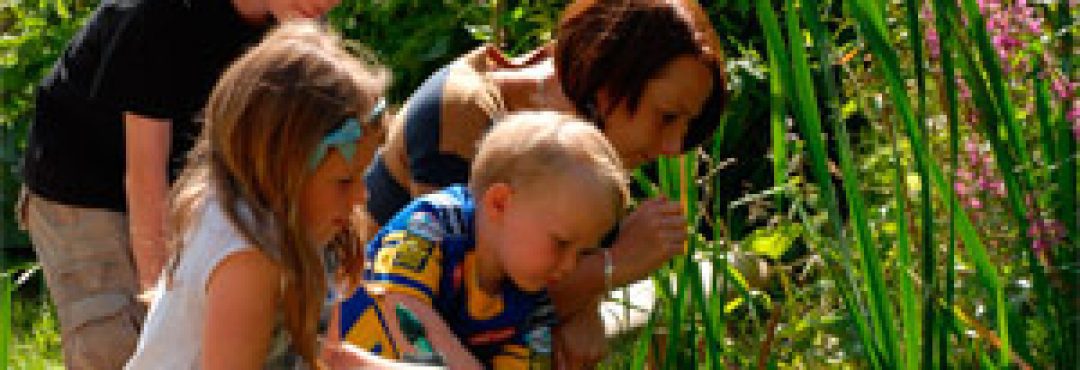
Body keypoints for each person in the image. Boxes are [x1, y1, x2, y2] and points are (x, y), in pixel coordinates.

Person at [358, 0, 726, 366]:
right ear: (610, 81)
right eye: (667, 117)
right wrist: (616, 263)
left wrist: (583, 306)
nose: (673, 147)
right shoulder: (464, 110)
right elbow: (452, 307)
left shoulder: (588, 146)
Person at [15, 0, 342, 367]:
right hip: (82, 187)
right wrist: (161, 297)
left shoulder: (301, 18)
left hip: (183, 182)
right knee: (118, 342)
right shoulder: (156, 15)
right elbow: (144, 172)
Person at [123, 20, 389, 369]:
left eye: (361, 177)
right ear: (282, 168)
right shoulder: (247, 255)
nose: (360, 197)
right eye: (343, 181)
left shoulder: (312, 226)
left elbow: (327, 359)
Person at [339, 112, 630, 369]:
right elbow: (399, 306)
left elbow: (524, 357)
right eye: (562, 243)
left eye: (582, 254)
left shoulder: (531, 297)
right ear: (499, 203)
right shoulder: (432, 224)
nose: (569, 266)